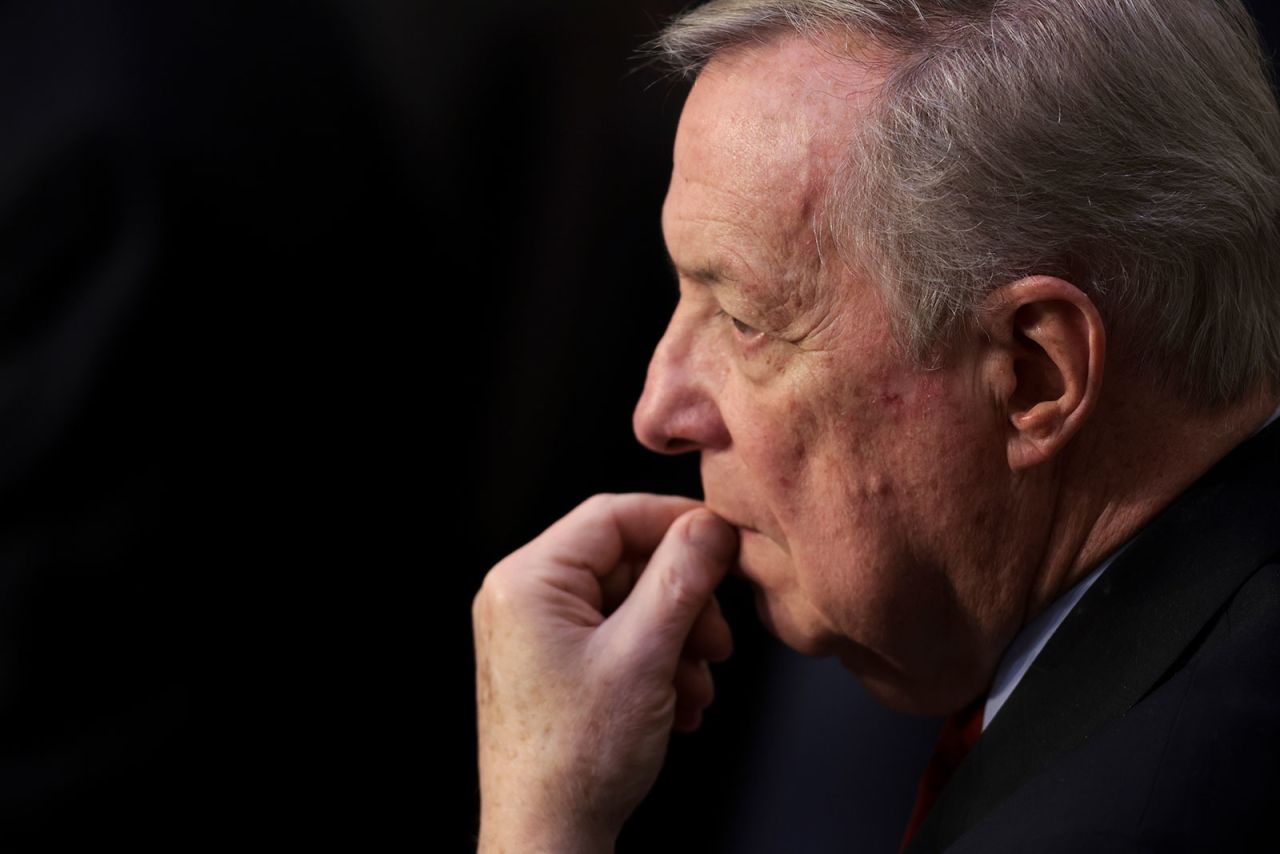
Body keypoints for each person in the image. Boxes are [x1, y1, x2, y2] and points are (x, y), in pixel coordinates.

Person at [471, 1, 1280, 851]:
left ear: (1035, 373)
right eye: (682, 296)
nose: (660, 412)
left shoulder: (1117, 817)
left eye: (746, 320)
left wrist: (544, 821)